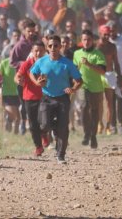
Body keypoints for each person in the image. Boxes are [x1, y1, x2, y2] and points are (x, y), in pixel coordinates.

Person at [30, 35, 82, 164]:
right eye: (50, 46)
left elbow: (79, 81)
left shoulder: (67, 63)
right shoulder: (41, 61)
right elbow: (32, 72)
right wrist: (37, 82)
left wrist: (73, 89)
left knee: (63, 127)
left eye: (56, 45)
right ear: (47, 47)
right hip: (47, 97)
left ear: (61, 46)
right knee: (43, 125)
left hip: (63, 98)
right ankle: (54, 128)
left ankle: (61, 155)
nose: (53, 48)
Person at [73, 30, 106, 149]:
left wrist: (89, 65)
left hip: (96, 87)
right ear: (81, 41)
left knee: (94, 111)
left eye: (89, 40)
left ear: (93, 41)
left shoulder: (98, 54)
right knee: (84, 107)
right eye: (84, 40)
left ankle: (93, 135)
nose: (86, 42)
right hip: (83, 86)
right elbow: (74, 69)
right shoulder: (77, 53)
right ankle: (86, 133)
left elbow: (102, 71)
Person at [15, 41, 46, 154]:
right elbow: (17, 76)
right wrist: (19, 80)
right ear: (32, 52)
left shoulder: (48, 63)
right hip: (29, 97)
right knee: (33, 124)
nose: (38, 53)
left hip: (44, 96)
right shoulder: (27, 64)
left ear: (44, 52)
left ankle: (44, 134)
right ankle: (38, 146)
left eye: (40, 51)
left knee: (44, 120)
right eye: (35, 51)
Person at [10, 18, 38, 134]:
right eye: (29, 31)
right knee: (24, 103)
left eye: (33, 31)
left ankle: (34, 124)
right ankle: (23, 122)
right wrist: (26, 63)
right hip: (23, 79)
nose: (31, 33)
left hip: (36, 78)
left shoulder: (37, 43)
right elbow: (12, 62)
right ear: (24, 32)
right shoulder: (19, 45)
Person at [96, 25, 122, 135]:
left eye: (108, 34)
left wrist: (119, 77)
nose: (107, 36)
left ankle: (108, 125)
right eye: (105, 34)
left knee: (110, 102)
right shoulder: (95, 46)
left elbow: (116, 62)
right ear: (100, 33)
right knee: (98, 102)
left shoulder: (112, 46)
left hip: (110, 75)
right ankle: (99, 123)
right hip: (97, 75)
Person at [0, 56, 20, 134]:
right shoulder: (4, 63)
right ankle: (8, 122)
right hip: (8, 93)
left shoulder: (21, 62)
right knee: (12, 114)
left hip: (20, 92)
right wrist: (0, 91)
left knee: (18, 117)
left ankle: (15, 135)